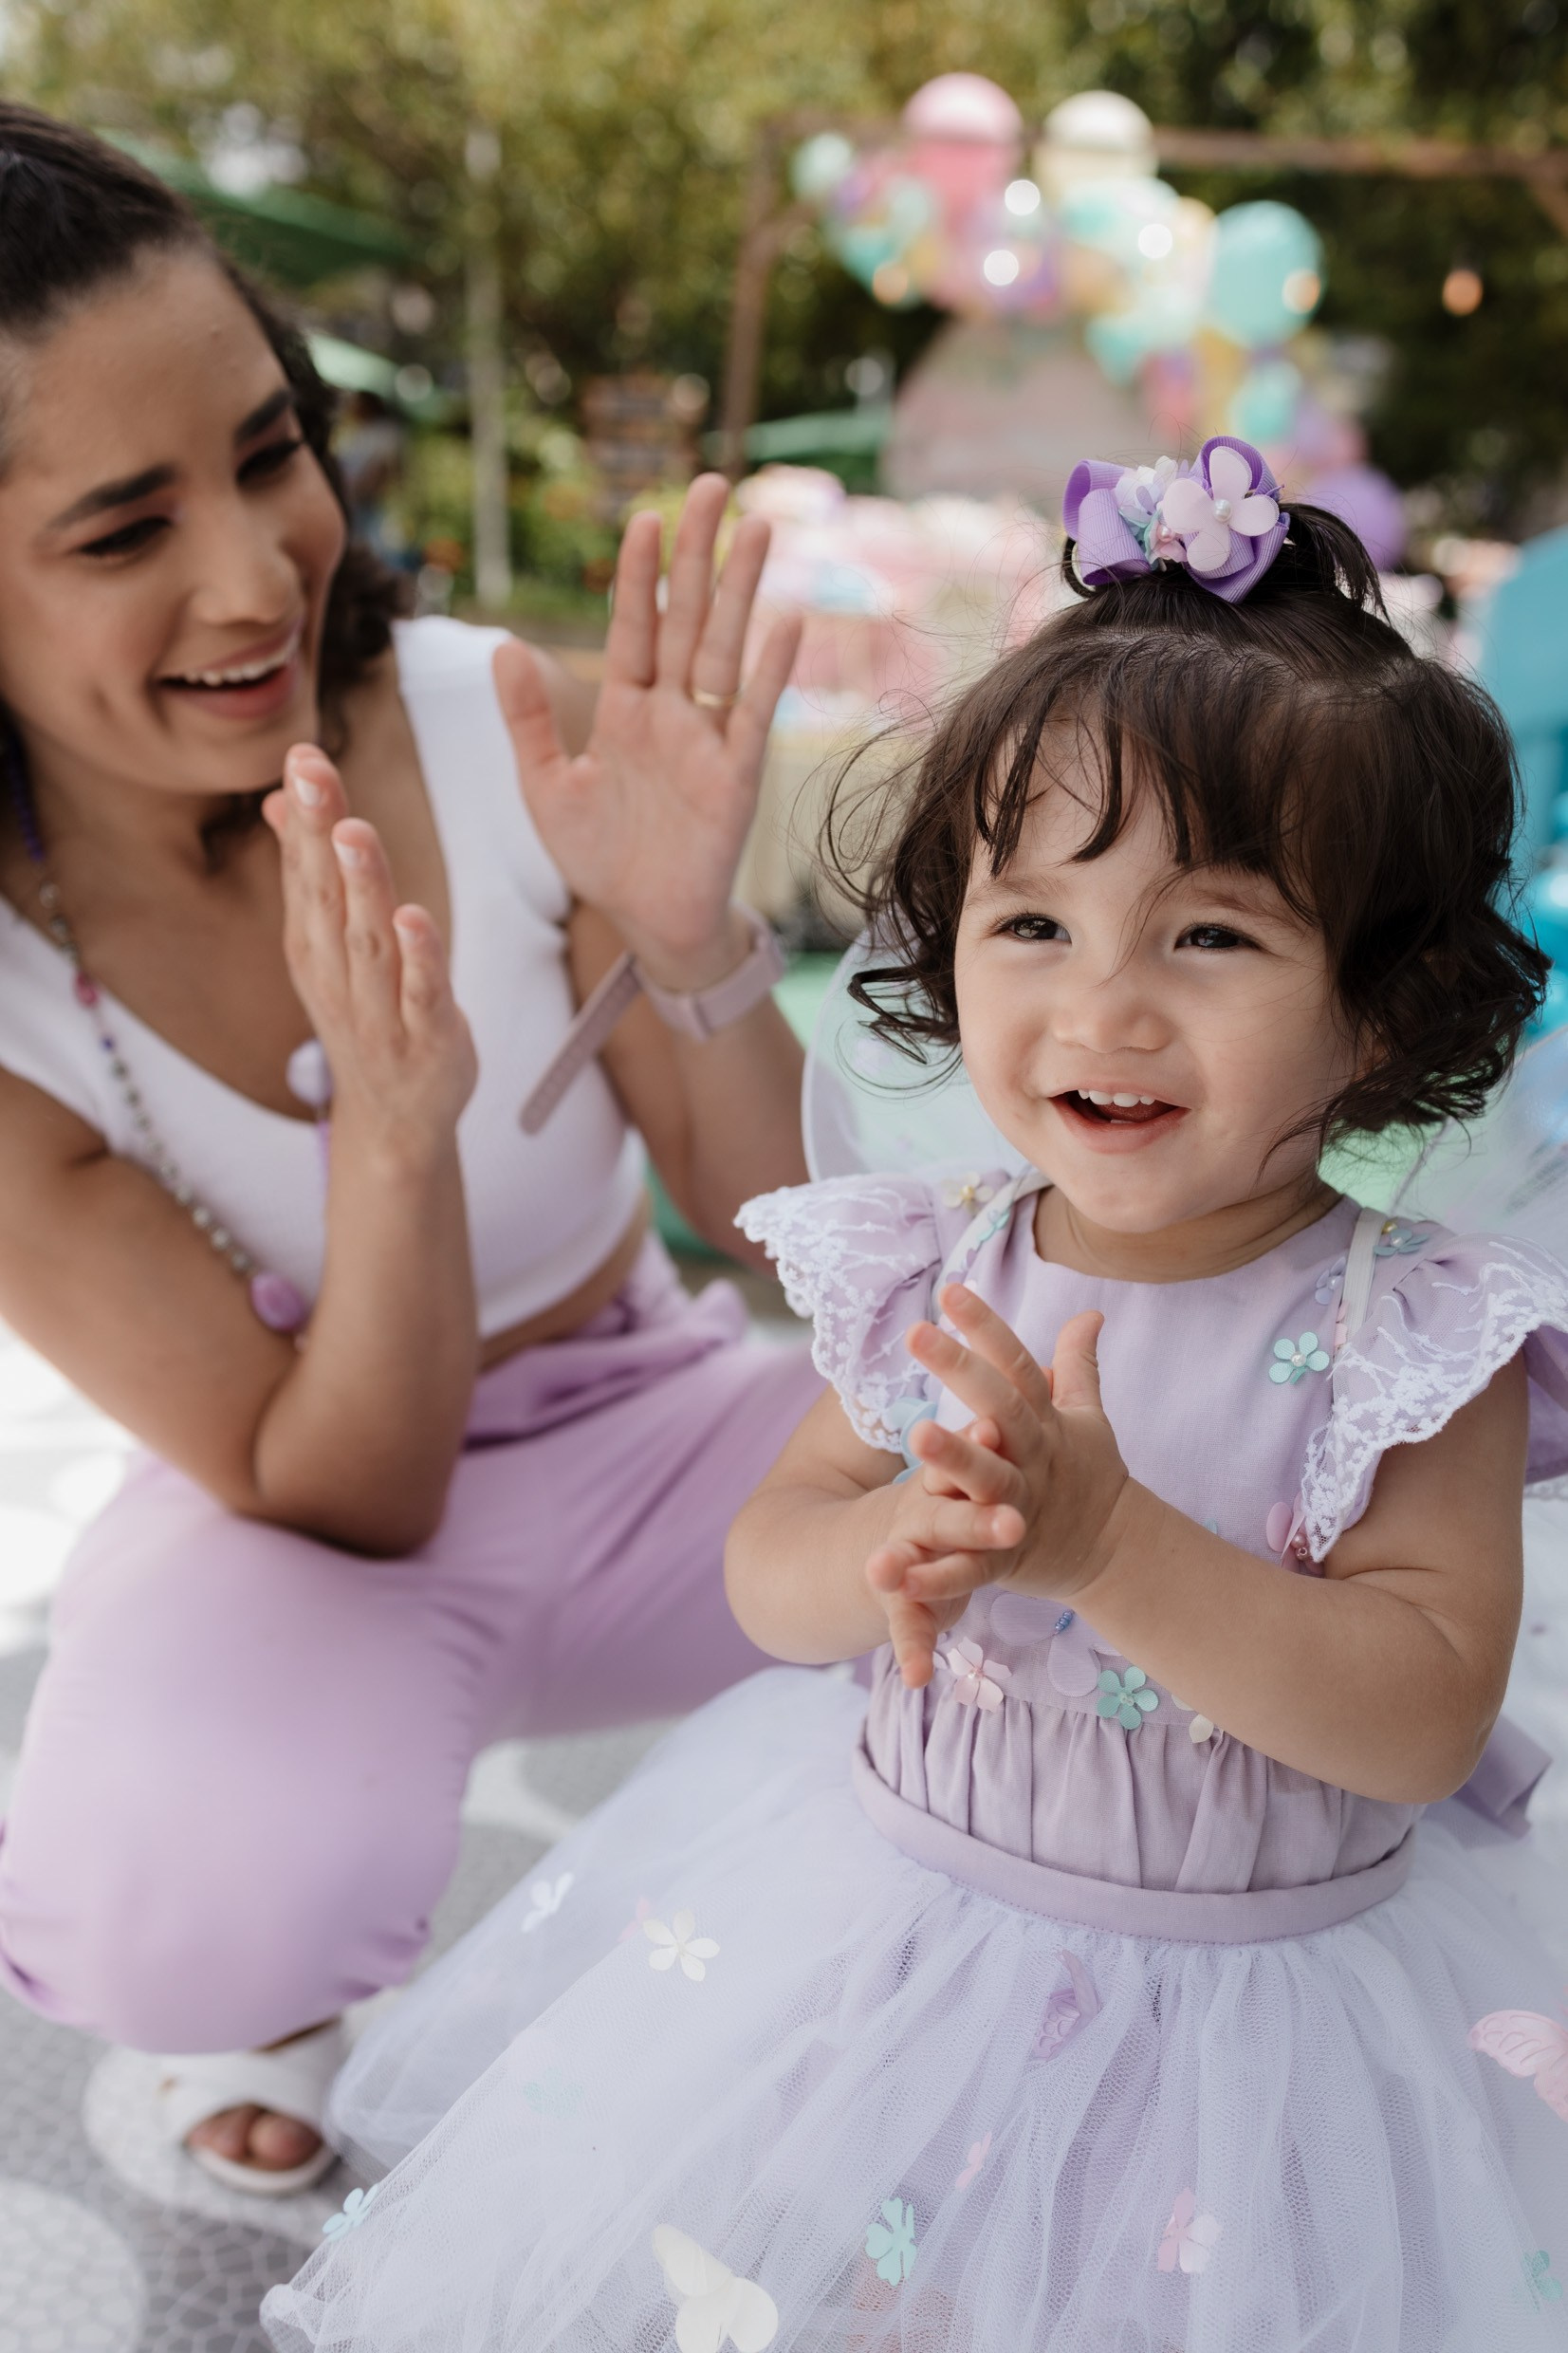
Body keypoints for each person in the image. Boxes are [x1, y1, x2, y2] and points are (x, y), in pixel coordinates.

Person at [265, 442, 1568, 2351]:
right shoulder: (935, 1254)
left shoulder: (1411, 1330)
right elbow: (765, 1569)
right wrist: (891, 1532)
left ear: (1377, 1006)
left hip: (1260, 2018)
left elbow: (1411, 1714)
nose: (1101, 1004)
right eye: (1030, 924)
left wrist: (1110, 1546)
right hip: (905, 1944)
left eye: (1207, 936)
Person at [0, 106, 821, 2195]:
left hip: (659, 1435)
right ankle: (280, 1992)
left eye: (269, 454)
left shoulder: (487, 719)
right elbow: (340, 1488)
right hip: (308, 1523)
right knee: (165, 1899)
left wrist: (693, 926)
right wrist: (396, 1128)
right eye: (120, 533)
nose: (256, 568)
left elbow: (777, 1230)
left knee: (1094, 1489)